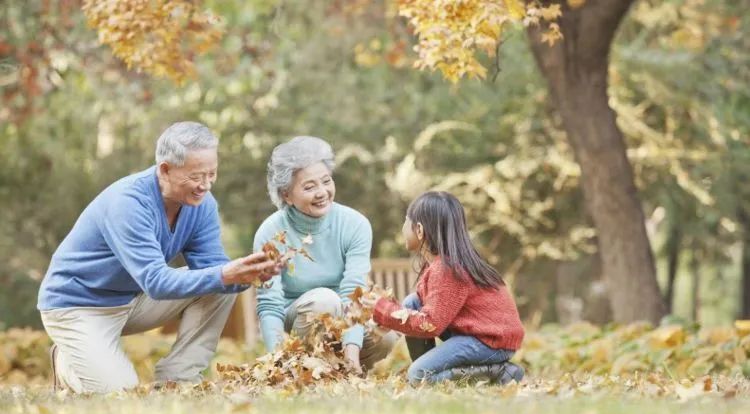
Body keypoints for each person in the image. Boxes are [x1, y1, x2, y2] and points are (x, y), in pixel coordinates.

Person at [38, 121, 281, 393]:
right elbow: (156, 282)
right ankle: (67, 363)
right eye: (197, 176)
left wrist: (248, 274)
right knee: (121, 393)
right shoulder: (128, 203)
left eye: (212, 174)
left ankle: (178, 379)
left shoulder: (202, 205)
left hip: (132, 299)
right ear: (165, 169)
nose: (206, 185)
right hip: (78, 306)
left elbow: (214, 270)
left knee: (220, 285)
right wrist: (226, 273)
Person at [254, 136, 397, 372]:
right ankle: (300, 369)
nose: (322, 192)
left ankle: (341, 373)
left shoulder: (355, 224)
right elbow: (270, 304)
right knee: (324, 301)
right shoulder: (270, 233)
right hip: (297, 322)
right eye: (309, 187)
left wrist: (352, 355)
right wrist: (275, 361)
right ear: (286, 195)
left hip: (344, 316)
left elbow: (354, 292)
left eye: (326, 181)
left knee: (385, 335)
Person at [367, 191, 525, 384]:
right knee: (412, 303)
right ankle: (428, 371)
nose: (402, 228)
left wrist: (384, 309)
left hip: (490, 342)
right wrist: (385, 314)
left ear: (419, 229)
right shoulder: (440, 265)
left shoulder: (447, 270)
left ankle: (497, 372)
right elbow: (422, 312)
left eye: (405, 221)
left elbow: (431, 324)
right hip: (474, 334)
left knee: (418, 375)